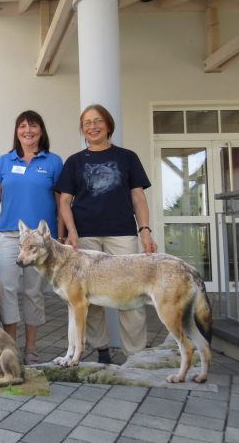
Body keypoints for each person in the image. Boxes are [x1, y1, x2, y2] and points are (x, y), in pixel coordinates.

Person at [55, 103, 157, 364]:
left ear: (108, 125)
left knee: (131, 294)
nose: (93, 126)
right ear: (82, 129)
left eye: (98, 121)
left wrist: (144, 230)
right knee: (90, 297)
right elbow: (64, 201)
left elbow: (138, 196)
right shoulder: (74, 161)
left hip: (122, 234)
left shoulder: (127, 157)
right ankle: (101, 351)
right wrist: (71, 232)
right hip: (86, 237)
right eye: (87, 122)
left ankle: (135, 355)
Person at [0, 110, 63, 365]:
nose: (28, 131)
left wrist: (60, 235)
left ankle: (31, 347)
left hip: (40, 242)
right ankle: (9, 345)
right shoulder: (4, 161)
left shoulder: (53, 161)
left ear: (41, 130)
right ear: (16, 131)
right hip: (8, 235)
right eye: (22, 126)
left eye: (33, 126)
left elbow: (61, 201)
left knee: (33, 292)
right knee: (6, 289)